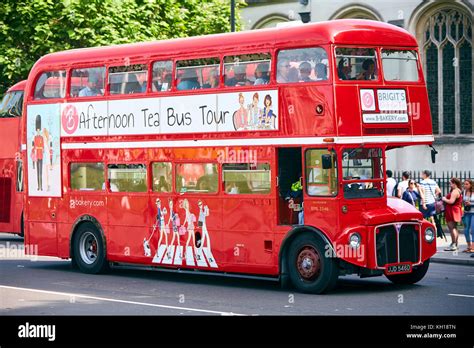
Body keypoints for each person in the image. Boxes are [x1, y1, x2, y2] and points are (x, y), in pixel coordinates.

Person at [442, 178, 463, 251]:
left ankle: (454, 244)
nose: (450, 185)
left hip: (452, 210)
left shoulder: (455, 191)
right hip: (455, 210)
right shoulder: (458, 190)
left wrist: (444, 199)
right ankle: (455, 244)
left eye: (450, 183)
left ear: (454, 183)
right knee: (454, 227)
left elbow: (451, 201)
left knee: (452, 228)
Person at [461, 179, 474, 253]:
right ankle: (469, 246)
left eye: (467, 184)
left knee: (473, 230)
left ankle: (473, 247)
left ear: (471, 185)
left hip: (473, 213)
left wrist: (471, 204)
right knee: (466, 230)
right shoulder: (464, 192)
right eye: (464, 184)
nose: (465, 186)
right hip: (466, 213)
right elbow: (462, 202)